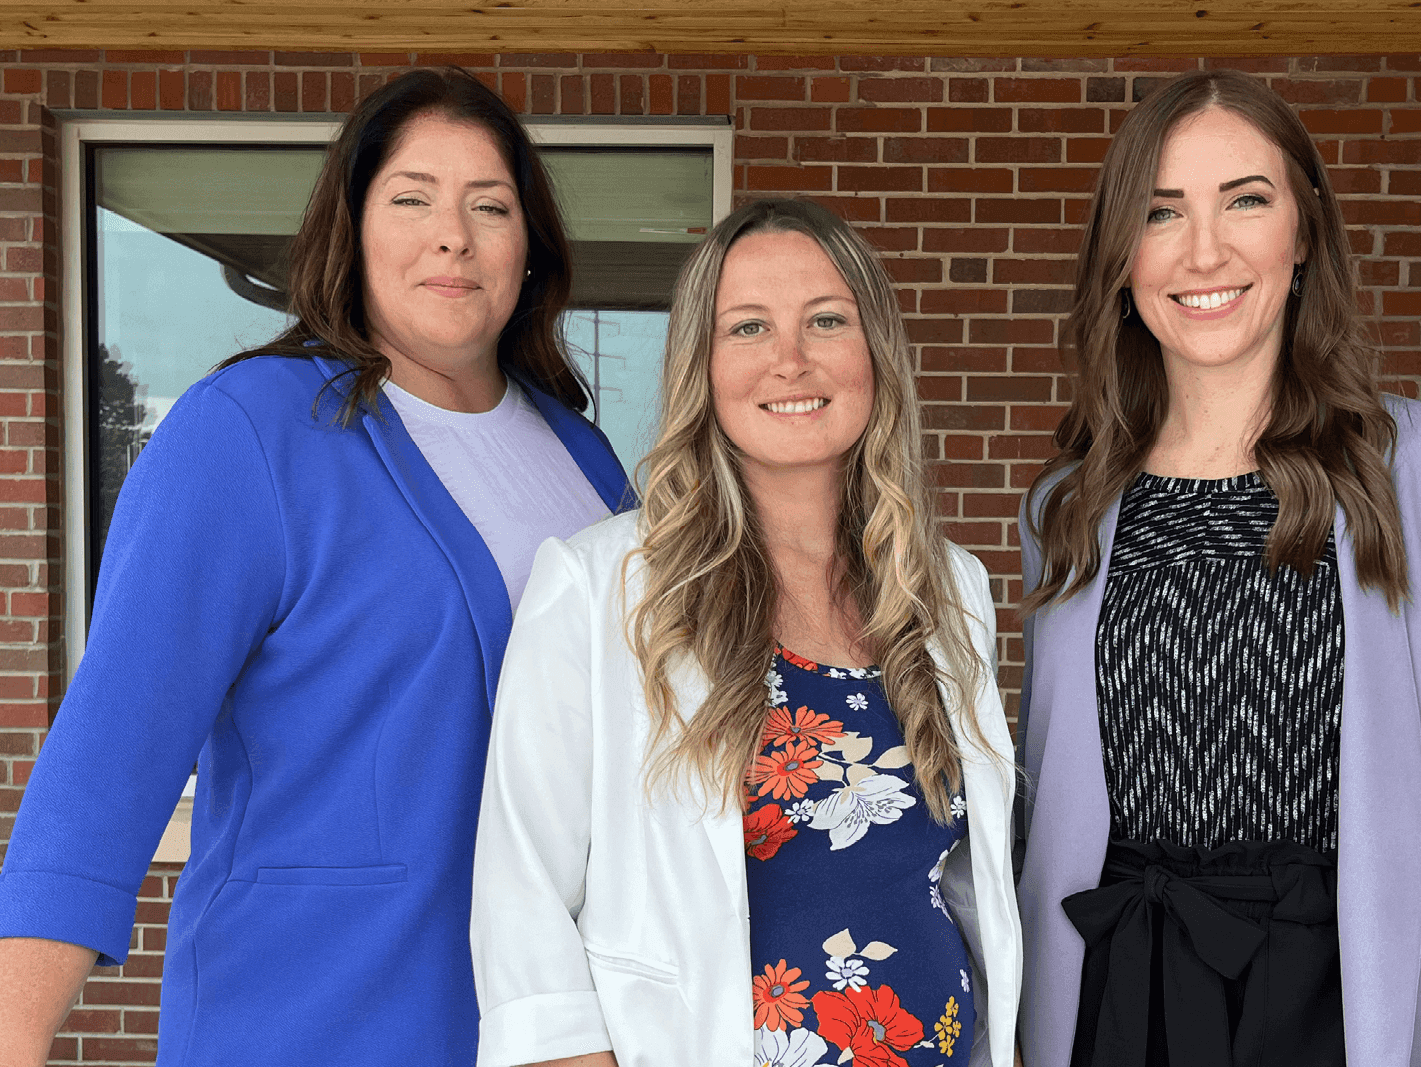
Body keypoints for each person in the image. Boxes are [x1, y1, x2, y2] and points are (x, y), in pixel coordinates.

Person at [0, 67, 633, 1067]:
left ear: (530, 247)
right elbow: (110, 758)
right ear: (354, 228)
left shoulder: (588, 465)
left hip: (554, 1030)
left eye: (490, 205)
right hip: (310, 1016)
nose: (452, 235)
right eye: (412, 197)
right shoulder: (248, 434)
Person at [1012, 70, 1421, 1067]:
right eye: (1160, 211)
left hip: (1336, 1005)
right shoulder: (1068, 507)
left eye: (1246, 200)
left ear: (1305, 230)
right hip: (1114, 1001)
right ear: (1123, 255)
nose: (1205, 250)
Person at [469, 197, 1021, 1067]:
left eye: (827, 320)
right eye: (749, 327)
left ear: (875, 351)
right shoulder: (602, 588)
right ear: (703, 364)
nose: (790, 360)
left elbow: (964, 885)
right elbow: (522, 901)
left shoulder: (948, 588)